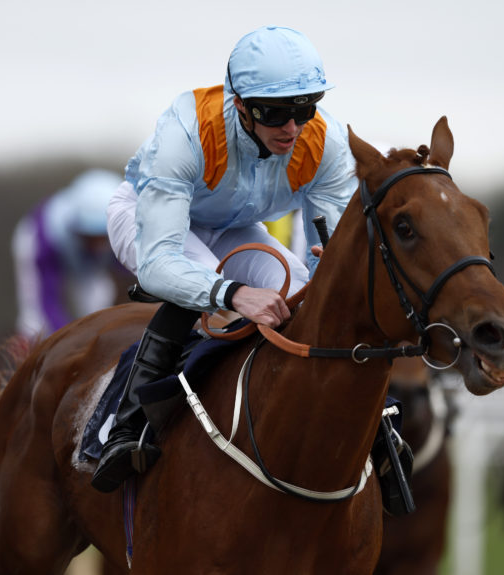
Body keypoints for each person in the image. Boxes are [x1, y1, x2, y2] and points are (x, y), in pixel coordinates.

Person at [93, 25, 358, 492]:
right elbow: (159, 265)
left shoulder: (327, 143)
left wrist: (328, 277)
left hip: (234, 227)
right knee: (197, 285)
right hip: (146, 218)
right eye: (275, 113)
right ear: (240, 105)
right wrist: (234, 294)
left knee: (299, 293)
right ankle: (126, 426)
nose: (292, 128)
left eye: (304, 108)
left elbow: (330, 260)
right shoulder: (186, 130)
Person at [11, 169, 128, 339]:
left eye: (104, 237)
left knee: (98, 308)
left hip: (82, 260)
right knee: (35, 323)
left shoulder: (125, 233)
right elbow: (46, 304)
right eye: (91, 237)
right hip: (45, 247)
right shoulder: (43, 240)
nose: (98, 247)